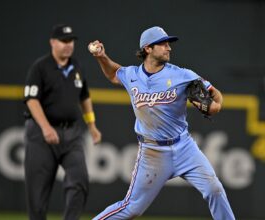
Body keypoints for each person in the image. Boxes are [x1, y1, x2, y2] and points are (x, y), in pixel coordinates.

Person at [88, 26, 236, 220]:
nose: (169, 48)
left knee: (214, 189)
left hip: (184, 147)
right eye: (163, 44)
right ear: (148, 48)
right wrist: (101, 56)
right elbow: (114, 74)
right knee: (132, 208)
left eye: (169, 44)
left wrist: (214, 106)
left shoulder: (183, 75)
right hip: (152, 152)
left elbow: (216, 97)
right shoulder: (132, 74)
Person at [23, 24, 102, 220]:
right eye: (64, 41)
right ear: (52, 42)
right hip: (41, 135)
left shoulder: (76, 66)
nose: (68, 45)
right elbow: (31, 100)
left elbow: (84, 97)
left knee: (80, 181)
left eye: (71, 41)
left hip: (71, 134)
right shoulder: (40, 67)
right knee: (38, 194)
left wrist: (92, 126)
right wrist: (46, 128)